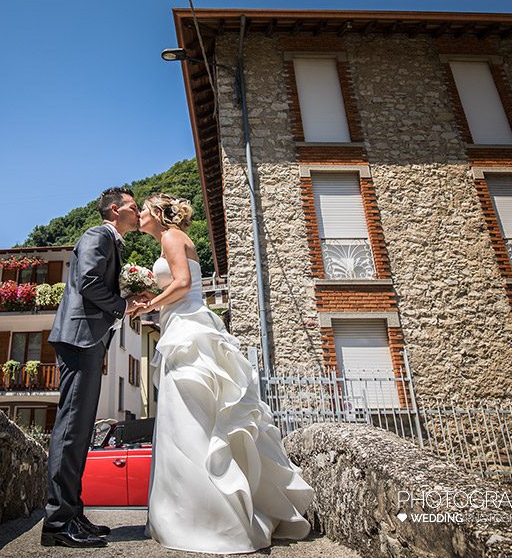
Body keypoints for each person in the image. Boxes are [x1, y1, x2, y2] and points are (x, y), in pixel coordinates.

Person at [135, 194, 313, 554]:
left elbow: (182, 283)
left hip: (187, 330)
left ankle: (203, 518)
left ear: (156, 213)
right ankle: (204, 513)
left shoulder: (170, 236)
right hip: (186, 325)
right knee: (194, 419)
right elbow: (181, 283)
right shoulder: (175, 239)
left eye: (143, 209)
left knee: (189, 422)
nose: (139, 214)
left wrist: (147, 304)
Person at [42, 187, 150, 548]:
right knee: (72, 428)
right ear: (116, 209)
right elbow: (88, 282)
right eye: (134, 207)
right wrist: (123, 305)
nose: (138, 212)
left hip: (89, 340)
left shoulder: (113, 241)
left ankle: (71, 512)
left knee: (81, 428)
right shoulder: (97, 235)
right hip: (79, 339)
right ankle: (57, 523)